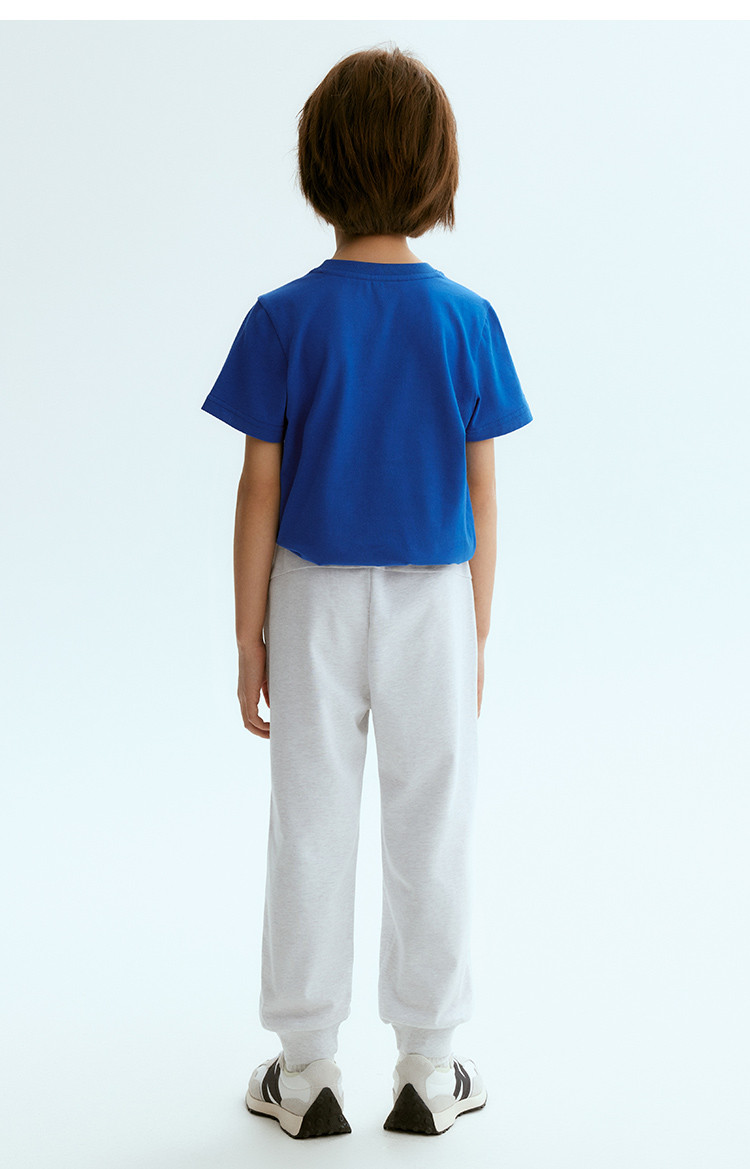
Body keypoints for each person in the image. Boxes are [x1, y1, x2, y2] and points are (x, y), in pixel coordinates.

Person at [200, 43, 533, 1140]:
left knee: (309, 822)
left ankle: (305, 1068)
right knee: (432, 821)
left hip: (310, 597)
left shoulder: (283, 316)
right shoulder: (467, 317)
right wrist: (476, 632)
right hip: (436, 596)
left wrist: (249, 635)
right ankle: (429, 1063)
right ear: (438, 172)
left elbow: (259, 486)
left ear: (318, 167)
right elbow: (483, 490)